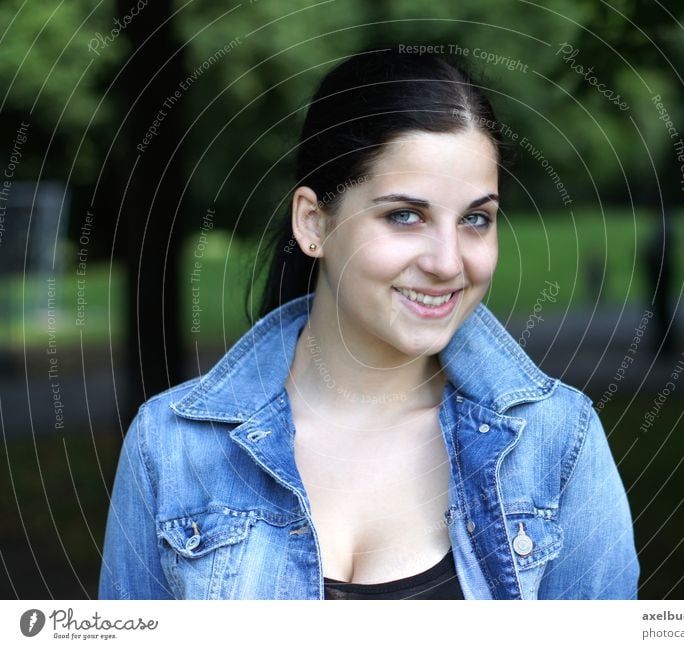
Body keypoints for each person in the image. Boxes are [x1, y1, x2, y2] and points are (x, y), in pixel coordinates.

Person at [99, 44, 639, 600]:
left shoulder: (557, 442)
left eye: (476, 219)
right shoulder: (171, 447)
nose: (448, 262)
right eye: (405, 216)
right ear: (313, 223)